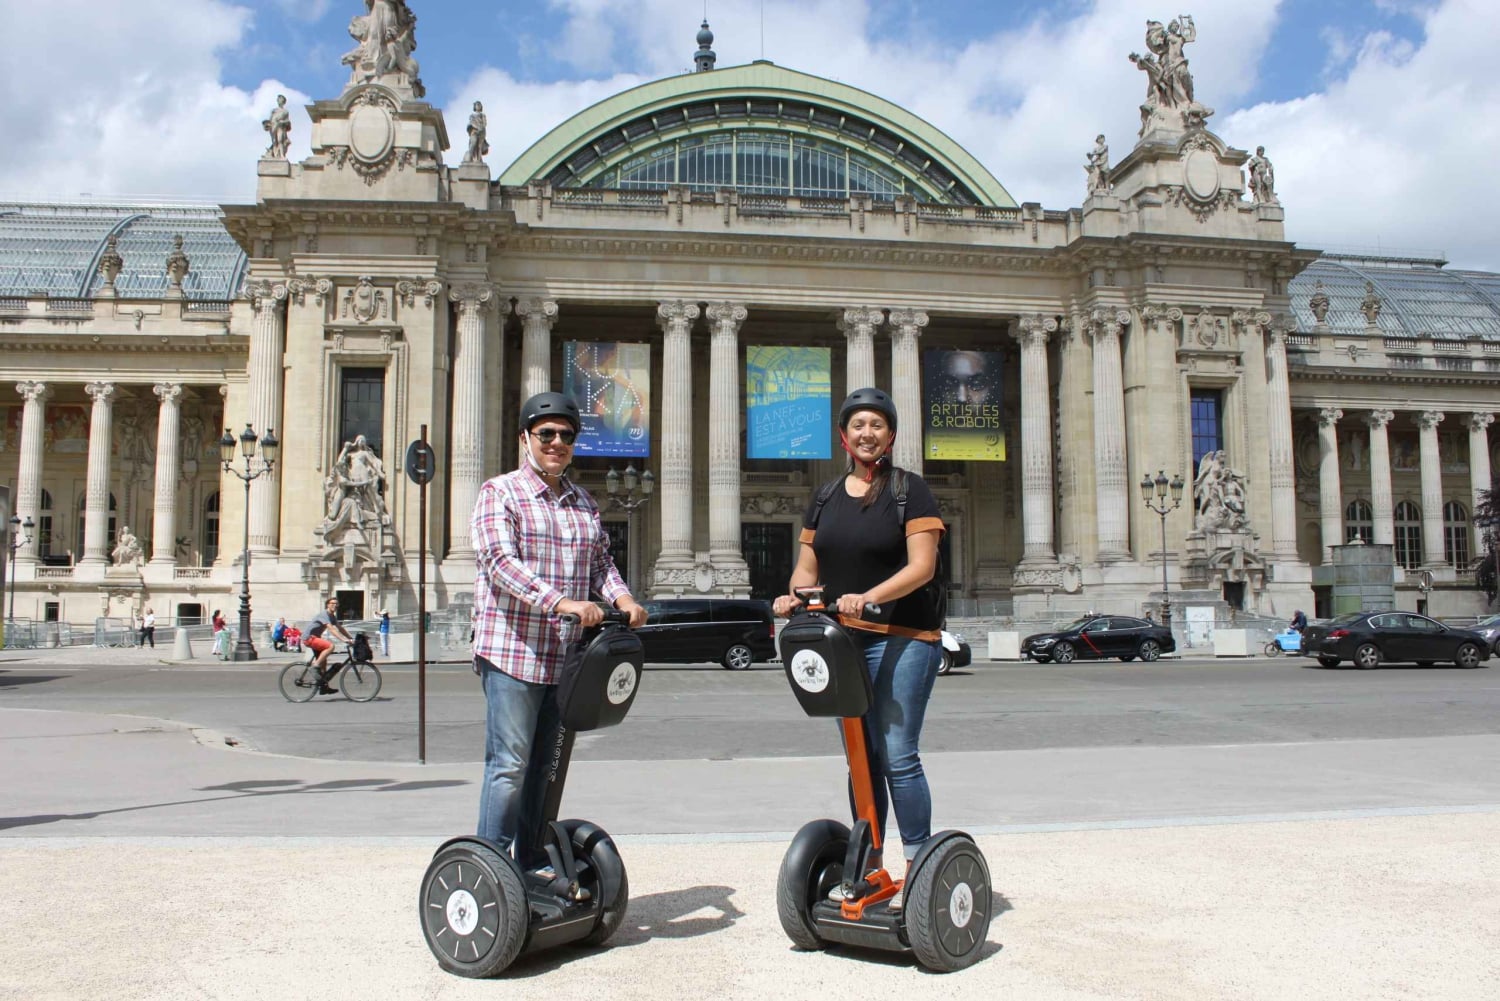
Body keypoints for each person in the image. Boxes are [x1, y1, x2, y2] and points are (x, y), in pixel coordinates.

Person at [770, 387, 945, 907]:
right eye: (857, 425)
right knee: (859, 759)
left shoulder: (910, 491)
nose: (867, 433)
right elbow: (808, 567)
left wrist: (868, 598)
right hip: (844, 640)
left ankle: (919, 864)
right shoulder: (824, 498)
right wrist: (793, 597)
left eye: (877, 424)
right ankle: (870, 862)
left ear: (890, 434)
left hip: (905, 638)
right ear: (843, 436)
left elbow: (922, 567)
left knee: (897, 753)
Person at [471, 391, 647, 871]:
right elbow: (498, 562)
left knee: (546, 772)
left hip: (564, 659)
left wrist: (623, 599)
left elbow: (601, 564)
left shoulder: (583, 502)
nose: (556, 443)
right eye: (545, 433)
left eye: (566, 436)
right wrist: (562, 602)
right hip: (511, 652)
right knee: (509, 766)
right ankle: (492, 869)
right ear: (525, 438)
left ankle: (529, 862)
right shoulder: (499, 492)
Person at [304, 597, 355, 695]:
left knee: (324, 663)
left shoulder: (332, 616)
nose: (334, 605)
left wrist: (351, 638)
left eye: (336, 604)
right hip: (309, 638)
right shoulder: (324, 614)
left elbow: (340, 628)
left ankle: (323, 687)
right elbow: (331, 629)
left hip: (316, 638)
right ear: (327, 604)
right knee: (331, 646)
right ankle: (314, 666)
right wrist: (344, 640)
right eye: (332, 603)